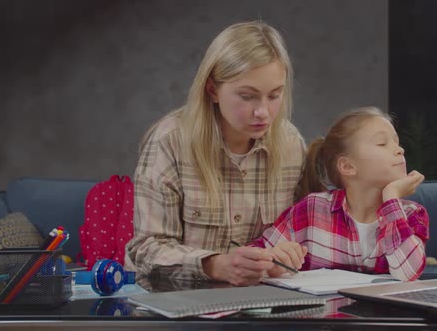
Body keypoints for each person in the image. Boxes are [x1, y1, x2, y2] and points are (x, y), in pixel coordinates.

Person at [124, 21, 307, 286]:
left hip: (259, 306)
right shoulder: (170, 141)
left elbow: (306, 230)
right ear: (213, 90)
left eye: (274, 95)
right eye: (247, 96)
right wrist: (214, 265)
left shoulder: (291, 145)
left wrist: (287, 257)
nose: (263, 112)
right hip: (176, 307)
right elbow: (145, 249)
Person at [249, 107, 429, 281]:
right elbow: (254, 257)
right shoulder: (311, 210)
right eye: (382, 143)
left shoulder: (412, 214)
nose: (400, 150)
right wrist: (273, 262)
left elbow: (408, 273)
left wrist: (391, 197)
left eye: (397, 143)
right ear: (348, 166)